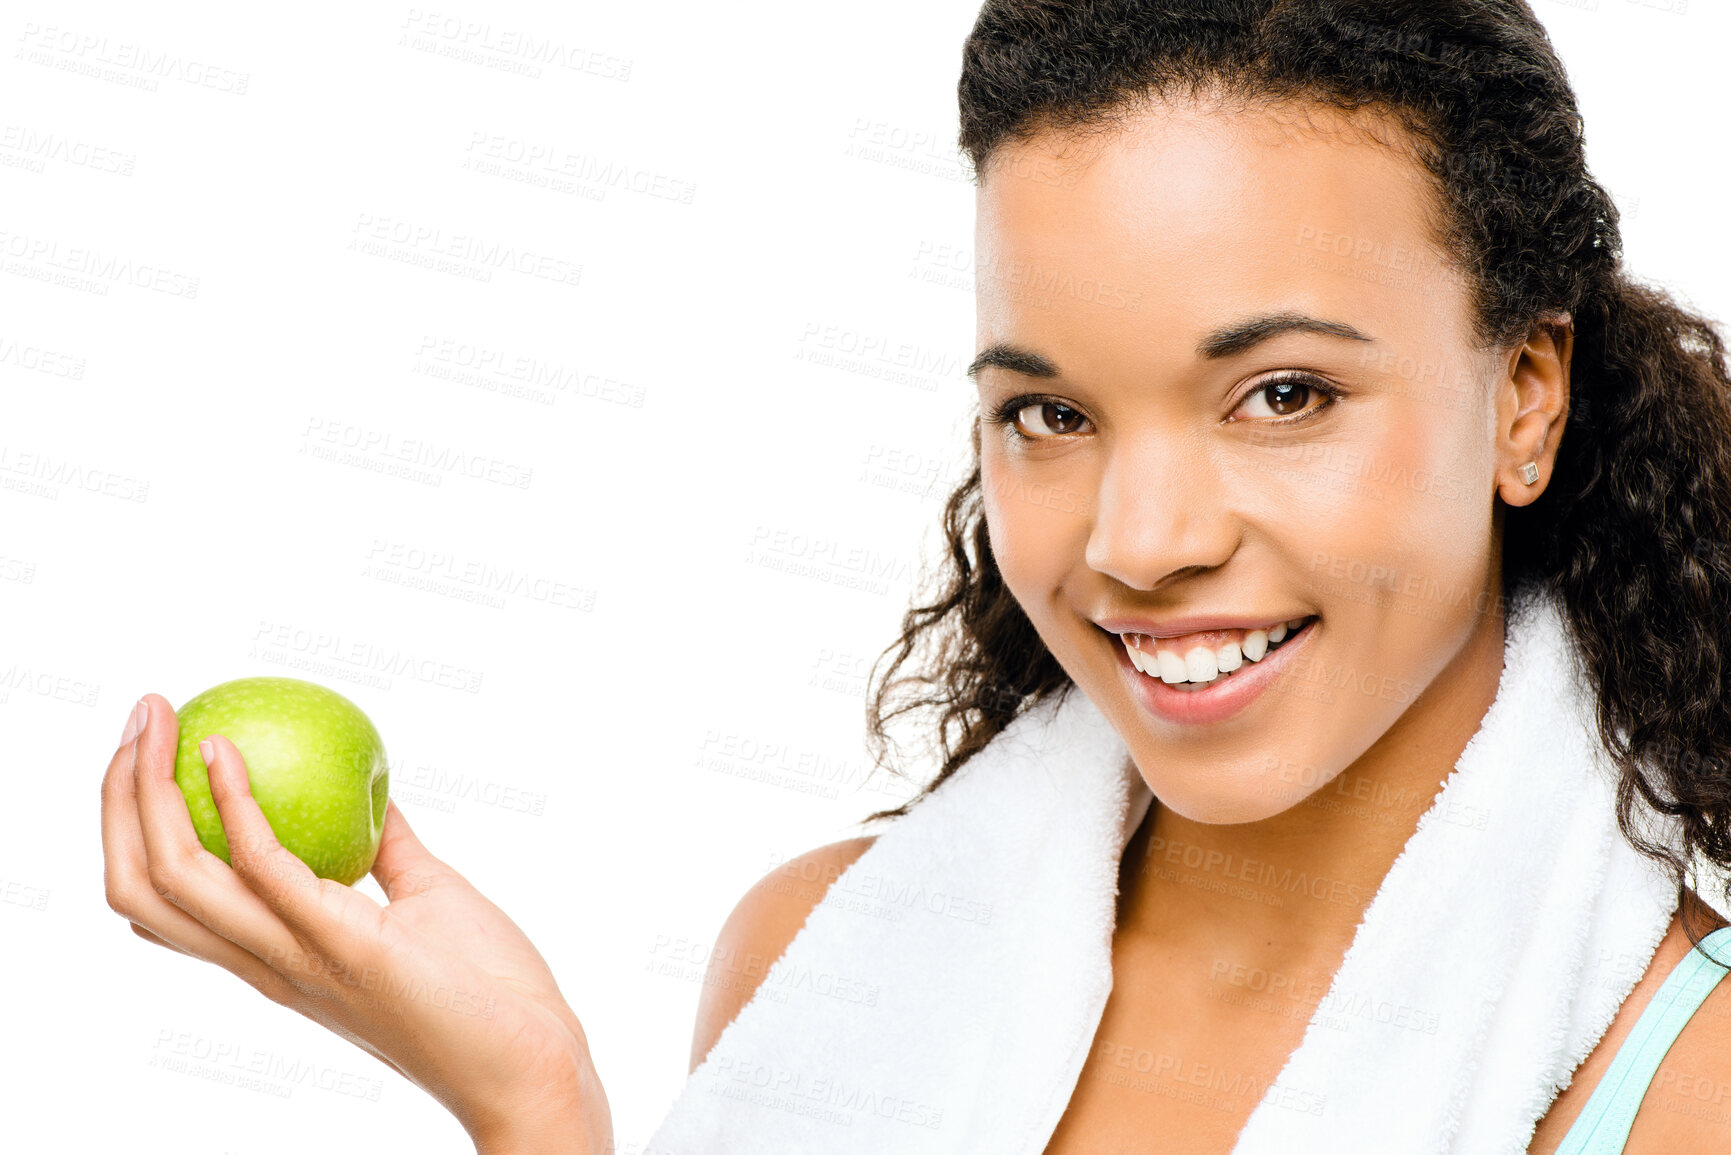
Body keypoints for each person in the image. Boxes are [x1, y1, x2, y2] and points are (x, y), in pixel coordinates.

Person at [100, 1, 1731, 1152]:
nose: (1139, 540)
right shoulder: (808, 956)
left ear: (1526, 396)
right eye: (1050, 413)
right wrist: (533, 1106)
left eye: (1282, 395)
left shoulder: (1683, 1089)